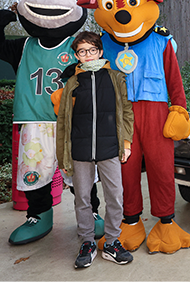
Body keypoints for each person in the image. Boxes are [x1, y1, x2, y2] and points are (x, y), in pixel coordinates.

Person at [53, 31, 135, 269]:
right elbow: (63, 121)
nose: (87, 55)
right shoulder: (72, 82)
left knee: (115, 196)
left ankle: (111, 242)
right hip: (80, 149)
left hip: (110, 148)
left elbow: (126, 112)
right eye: (81, 51)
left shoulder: (115, 77)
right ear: (77, 55)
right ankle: (88, 241)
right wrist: (63, 156)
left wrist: (126, 144)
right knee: (82, 198)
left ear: (100, 52)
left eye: (91, 50)